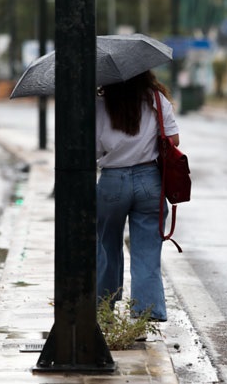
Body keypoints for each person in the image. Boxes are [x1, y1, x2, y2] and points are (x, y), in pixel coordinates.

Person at [95, 70, 179, 322]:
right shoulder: (156, 99)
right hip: (149, 180)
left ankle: (104, 306)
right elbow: (173, 139)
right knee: (147, 250)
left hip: (112, 181)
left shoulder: (99, 106)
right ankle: (147, 311)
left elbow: (94, 147)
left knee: (106, 244)